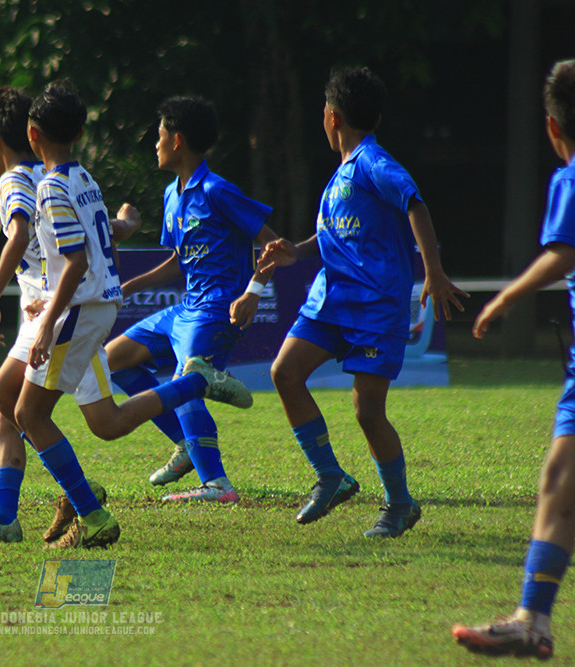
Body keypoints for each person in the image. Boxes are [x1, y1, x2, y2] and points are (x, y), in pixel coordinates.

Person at [12, 80, 254, 549]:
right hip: (93, 308)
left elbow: (77, 261)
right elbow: (97, 242)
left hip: (80, 312)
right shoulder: (84, 180)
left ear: (32, 133)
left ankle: (88, 510)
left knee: (27, 413)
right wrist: (127, 225)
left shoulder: (49, 188)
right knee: (106, 424)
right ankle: (194, 384)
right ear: (80, 133)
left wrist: (46, 321)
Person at [258, 66, 467, 538]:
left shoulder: (374, 162)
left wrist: (433, 271)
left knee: (367, 411)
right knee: (285, 373)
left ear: (332, 116)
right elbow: (334, 235)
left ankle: (399, 506)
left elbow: (415, 202)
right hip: (330, 302)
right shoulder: (343, 173)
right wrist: (297, 251)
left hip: (375, 308)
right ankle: (331, 476)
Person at [0, 87, 138, 544]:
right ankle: (8, 516)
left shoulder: (18, 180)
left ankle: (84, 507)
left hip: (63, 309)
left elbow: (22, 235)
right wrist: (126, 225)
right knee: (7, 400)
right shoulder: (68, 176)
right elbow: (92, 233)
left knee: (39, 413)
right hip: (62, 307)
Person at [452, 58, 575, 660]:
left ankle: (532, 618)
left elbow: (561, 255)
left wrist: (502, 296)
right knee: (560, 483)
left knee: (559, 483)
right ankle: (534, 618)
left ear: (555, 130)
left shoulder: (570, 178)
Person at [104, 96, 277, 503]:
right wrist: (131, 287)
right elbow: (181, 261)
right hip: (185, 309)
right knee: (111, 360)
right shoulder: (171, 195)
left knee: (186, 378)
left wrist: (252, 292)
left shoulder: (219, 191)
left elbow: (273, 246)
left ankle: (217, 485)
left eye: (160, 135)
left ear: (177, 140)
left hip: (217, 310)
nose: (156, 143)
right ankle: (185, 444)